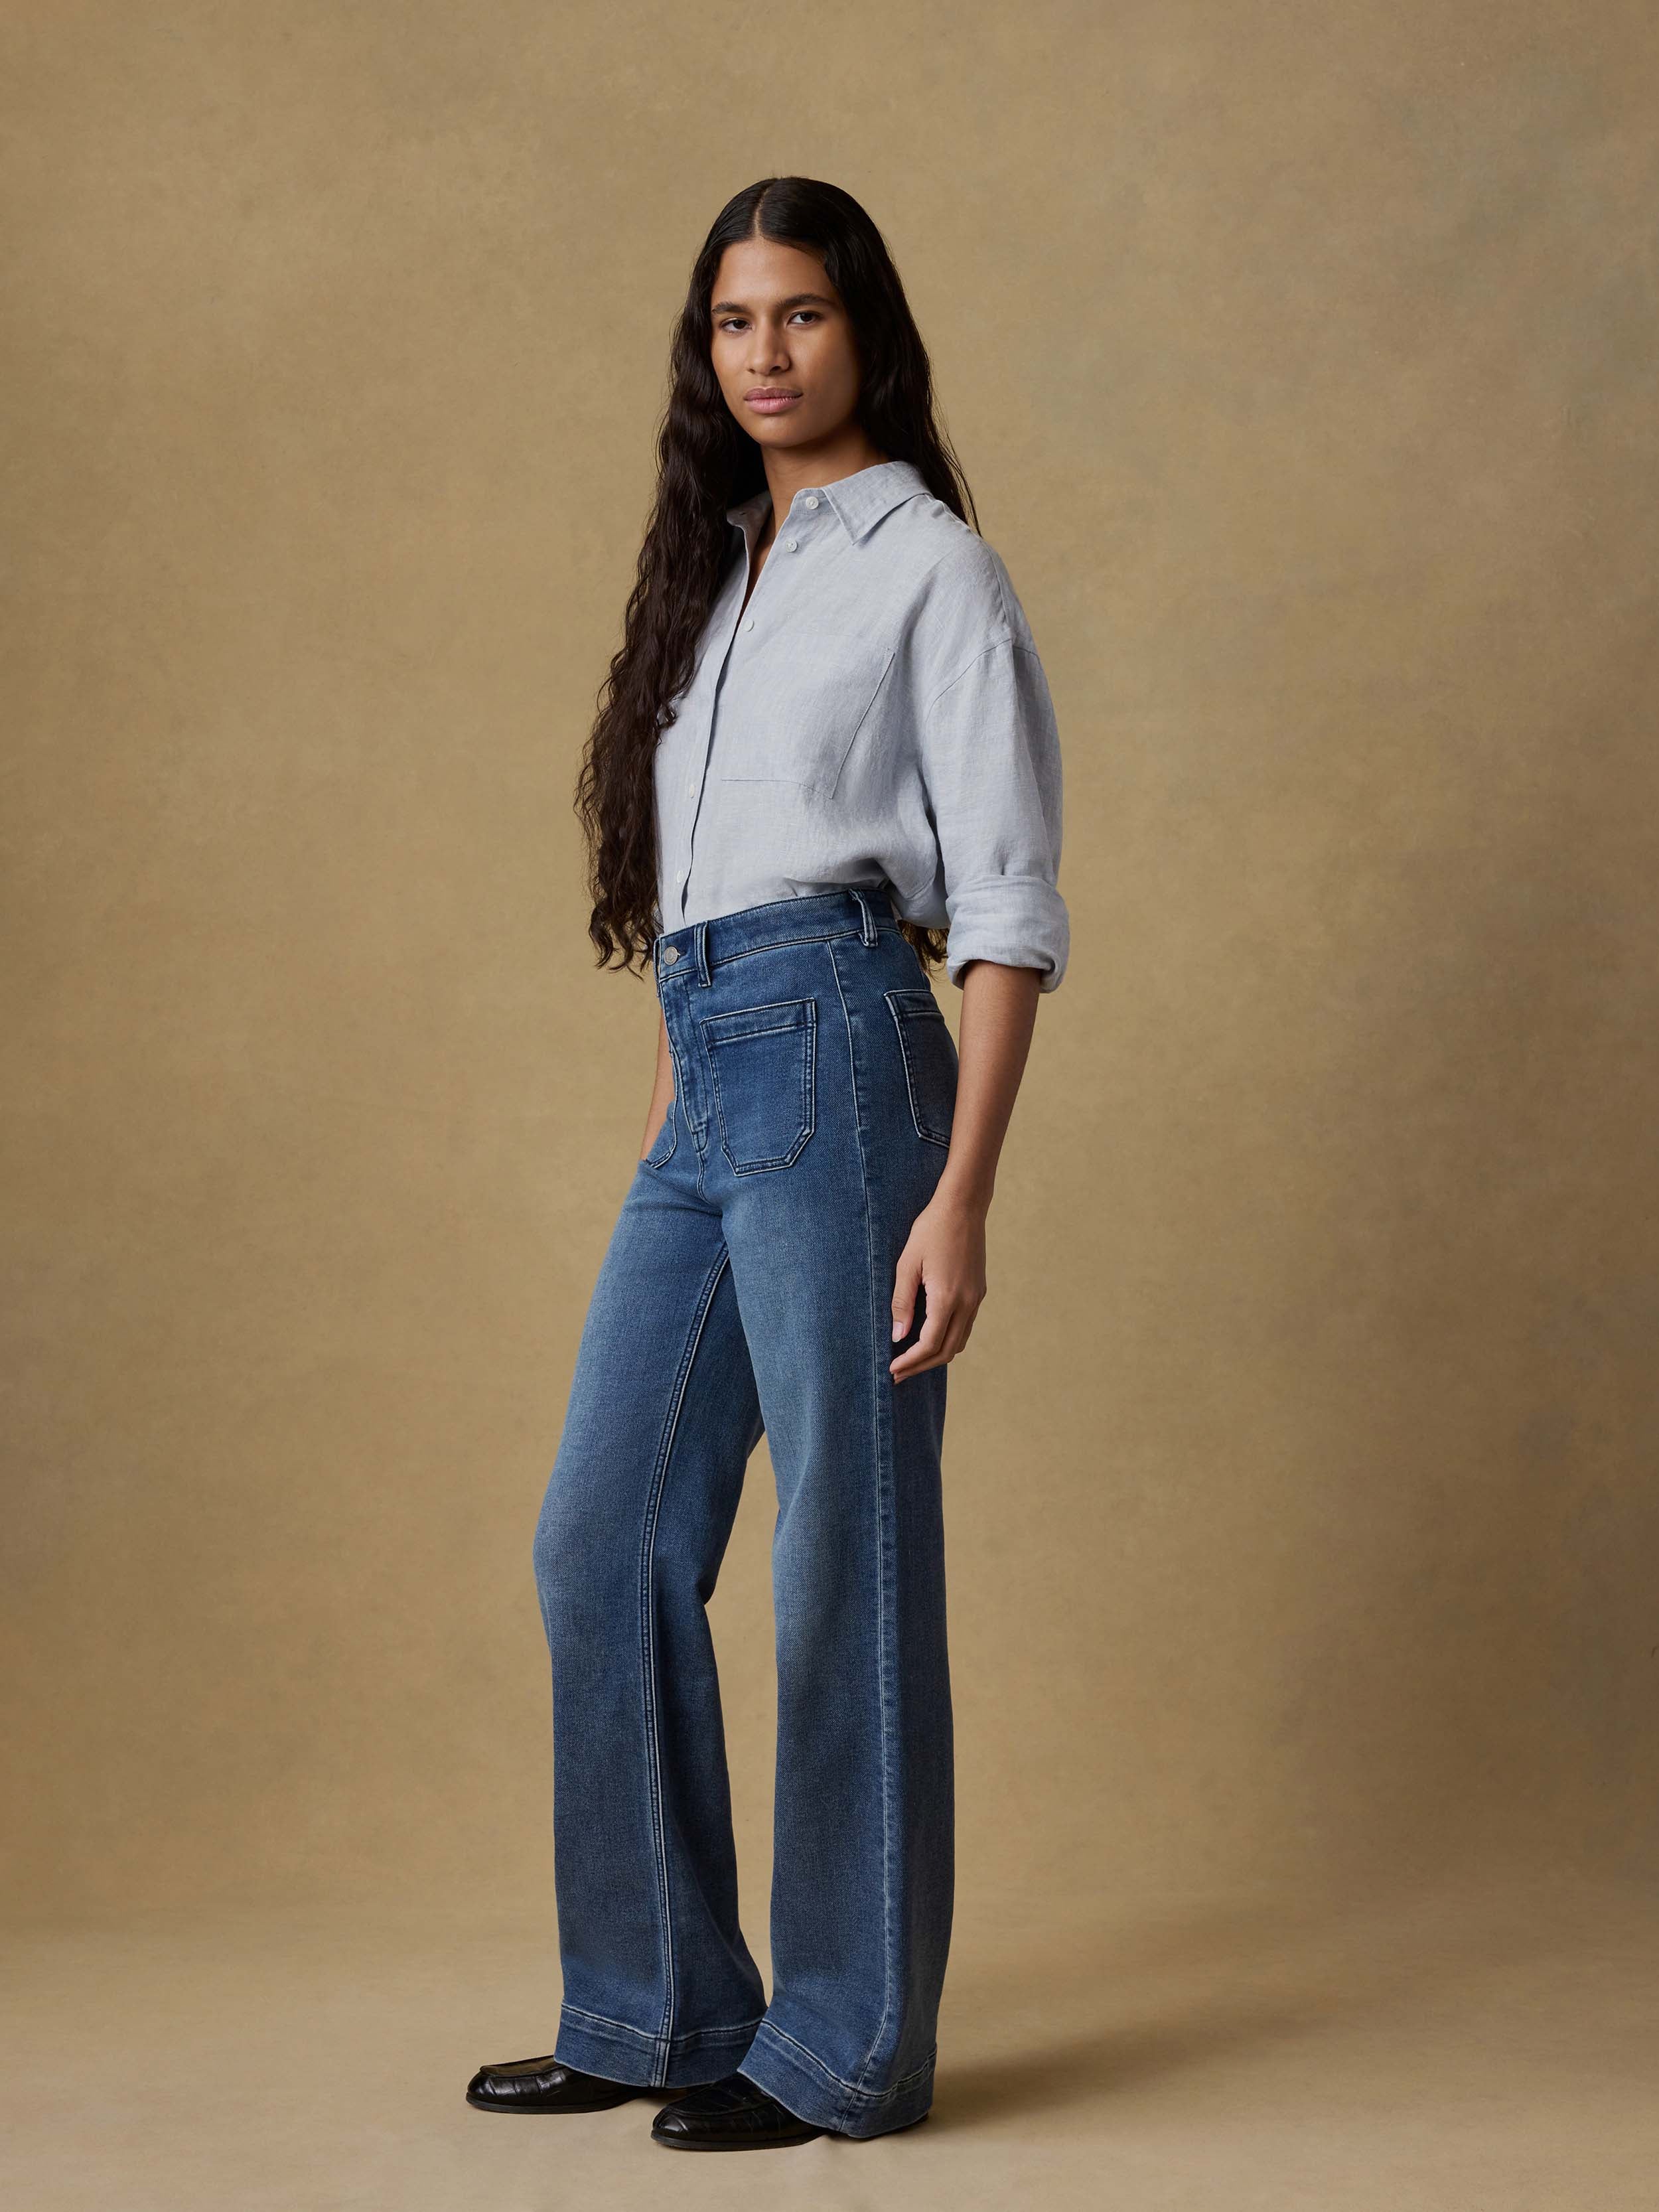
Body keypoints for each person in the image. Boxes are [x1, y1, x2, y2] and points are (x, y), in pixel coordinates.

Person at [465, 175, 1069, 2153]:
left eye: (798, 313)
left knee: (844, 1557)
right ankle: (655, 2007)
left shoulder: (934, 571)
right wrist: (674, 1112)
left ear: (861, 328)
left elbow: (1003, 905)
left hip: (853, 1063)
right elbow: (694, 889)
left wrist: (962, 1198)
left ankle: (842, 2050)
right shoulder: (717, 575)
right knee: (602, 1536)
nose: (765, 353)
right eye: (733, 321)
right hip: (711, 1076)